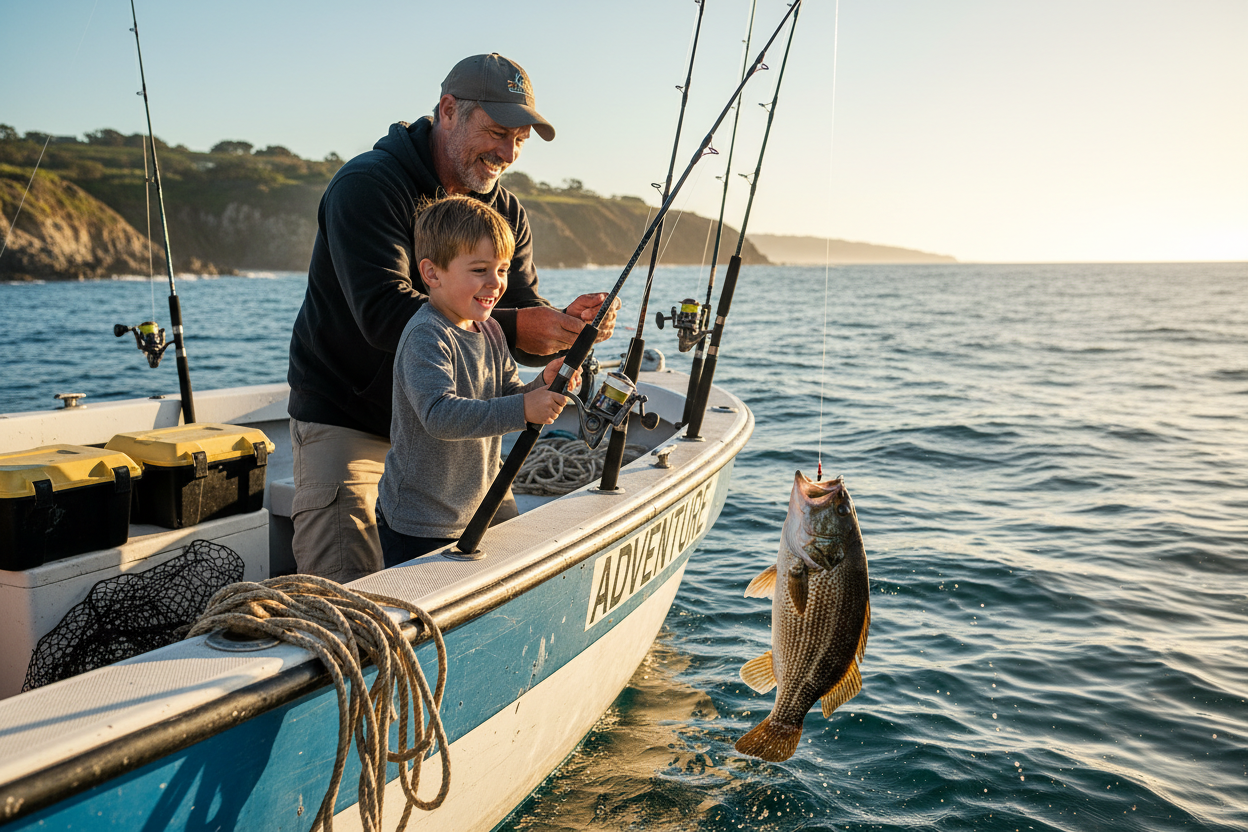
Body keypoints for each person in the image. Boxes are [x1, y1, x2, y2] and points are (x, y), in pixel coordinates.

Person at [286, 53, 618, 582]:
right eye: (497, 132)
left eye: (520, 140)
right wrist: (516, 326)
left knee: (496, 573)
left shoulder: (505, 212)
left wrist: (563, 331)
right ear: (448, 110)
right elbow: (384, 314)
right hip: (350, 417)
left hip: (451, 439)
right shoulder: (367, 186)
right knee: (345, 593)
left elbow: (522, 321)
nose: (508, 152)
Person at [377, 195, 579, 564]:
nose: (495, 283)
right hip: (421, 522)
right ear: (432, 273)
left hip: (485, 501)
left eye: (502, 270)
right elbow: (439, 415)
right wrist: (524, 407)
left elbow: (509, 395)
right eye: (480, 270)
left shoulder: (491, 330)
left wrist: (541, 385)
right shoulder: (426, 335)